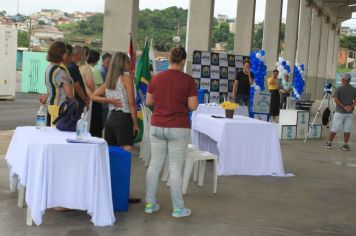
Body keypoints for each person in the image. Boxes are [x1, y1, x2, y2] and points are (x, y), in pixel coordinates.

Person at [145, 46, 198, 218]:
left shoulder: (156, 78)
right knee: (175, 168)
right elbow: (193, 106)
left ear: (169, 59)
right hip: (178, 127)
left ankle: (150, 204)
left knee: (155, 164)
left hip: (157, 125)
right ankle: (178, 208)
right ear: (183, 61)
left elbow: (149, 101)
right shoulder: (188, 81)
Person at [44, 41, 74, 125]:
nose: (66, 54)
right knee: (59, 133)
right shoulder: (60, 71)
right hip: (60, 107)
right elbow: (68, 92)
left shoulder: (49, 67)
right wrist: (74, 103)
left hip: (51, 105)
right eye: (65, 52)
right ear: (60, 53)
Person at [324, 73, 356, 151]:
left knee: (334, 128)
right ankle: (345, 145)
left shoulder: (339, 88)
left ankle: (329, 143)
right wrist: (351, 106)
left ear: (344, 80)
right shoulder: (354, 89)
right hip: (349, 113)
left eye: (342, 78)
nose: (341, 80)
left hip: (340, 112)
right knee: (347, 129)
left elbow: (336, 100)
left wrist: (343, 106)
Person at [67, 45, 90, 113]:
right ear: (79, 55)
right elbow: (77, 86)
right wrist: (84, 98)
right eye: (83, 54)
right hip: (77, 100)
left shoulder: (72, 66)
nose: (85, 56)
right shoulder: (72, 67)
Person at [87, 50, 103, 137]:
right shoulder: (95, 71)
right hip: (96, 100)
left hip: (87, 99)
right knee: (96, 124)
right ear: (96, 60)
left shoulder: (84, 68)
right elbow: (101, 86)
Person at [100, 53, 112, 127]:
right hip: (104, 102)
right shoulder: (102, 72)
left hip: (106, 101)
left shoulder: (106, 71)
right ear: (104, 61)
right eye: (108, 62)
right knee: (102, 123)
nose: (110, 64)